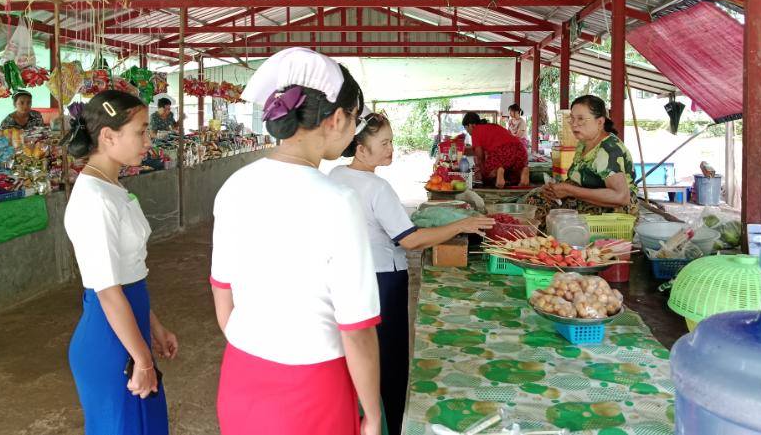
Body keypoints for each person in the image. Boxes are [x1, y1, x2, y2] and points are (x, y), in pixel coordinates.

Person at [210, 48, 383, 435]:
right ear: (336, 119)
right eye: (355, 119)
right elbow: (356, 330)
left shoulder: (234, 186)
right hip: (312, 391)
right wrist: (372, 414)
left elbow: (223, 293)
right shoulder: (339, 201)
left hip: (241, 377)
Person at [330, 113, 495, 435]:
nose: (391, 149)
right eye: (384, 143)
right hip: (384, 281)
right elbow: (411, 240)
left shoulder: (337, 175)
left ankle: (356, 419)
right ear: (361, 149)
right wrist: (462, 225)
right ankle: (389, 424)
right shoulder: (377, 187)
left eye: (391, 141)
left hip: (349, 277)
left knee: (356, 353)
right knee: (389, 360)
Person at [62, 90, 178, 435]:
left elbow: (128, 272)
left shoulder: (111, 187)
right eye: (141, 131)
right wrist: (142, 359)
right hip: (110, 340)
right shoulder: (94, 199)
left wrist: (153, 326)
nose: (148, 140)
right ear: (108, 136)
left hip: (127, 329)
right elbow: (108, 291)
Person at [521, 95, 638, 224]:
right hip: (586, 198)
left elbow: (621, 197)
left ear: (600, 122)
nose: (574, 124)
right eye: (572, 118)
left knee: (545, 212)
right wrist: (556, 189)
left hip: (613, 211)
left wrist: (569, 190)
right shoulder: (584, 143)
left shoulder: (608, 149)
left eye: (581, 119)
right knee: (536, 198)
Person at [462, 112, 530, 189]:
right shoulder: (493, 126)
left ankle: (499, 171)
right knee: (512, 172)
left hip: (503, 150)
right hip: (520, 149)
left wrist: (483, 173)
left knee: (489, 170)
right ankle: (523, 171)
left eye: (466, 128)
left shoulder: (476, 130)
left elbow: (480, 156)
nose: (467, 132)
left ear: (471, 125)